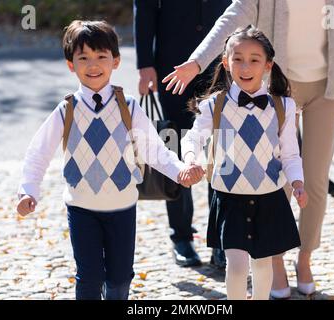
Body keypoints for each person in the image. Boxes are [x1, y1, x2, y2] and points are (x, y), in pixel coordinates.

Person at [163, 0, 334, 298]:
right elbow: (232, 18)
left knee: (313, 181)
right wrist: (197, 62)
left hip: (325, 85)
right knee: (273, 176)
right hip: (280, 81)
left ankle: (304, 260)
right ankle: (273, 262)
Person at [16, 20, 202, 300]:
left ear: (115, 61)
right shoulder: (67, 109)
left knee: (118, 279)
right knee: (88, 278)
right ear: (71, 65)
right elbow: (38, 152)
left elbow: (155, 150)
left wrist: (179, 171)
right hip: (81, 208)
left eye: (101, 56)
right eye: (83, 58)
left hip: (122, 207)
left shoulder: (129, 107)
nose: (93, 65)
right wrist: (28, 190)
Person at [181, 27, 308, 300]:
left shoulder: (283, 106)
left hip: (269, 196)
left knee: (262, 264)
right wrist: (191, 159)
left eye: (254, 59)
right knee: (237, 267)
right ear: (226, 63)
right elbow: (192, 139)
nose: (245, 66)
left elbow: (290, 154)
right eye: (237, 59)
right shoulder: (215, 105)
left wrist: (297, 182)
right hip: (229, 197)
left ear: (268, 65)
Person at [133, 0, 231, 268]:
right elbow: (145, 7)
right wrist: (145, 63)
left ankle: (222, 239)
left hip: (221, 64)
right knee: (174, 146)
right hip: (172, 64)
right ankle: (181, 236)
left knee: (221, 151)